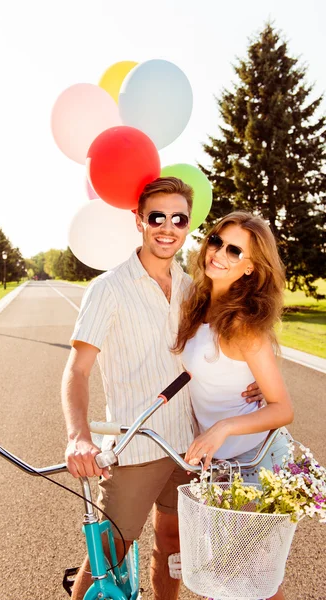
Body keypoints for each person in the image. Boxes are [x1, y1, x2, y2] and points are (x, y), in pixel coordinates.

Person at [61, 178, 263, 600]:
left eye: (179, 218)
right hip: (135, 447)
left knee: (172, 545)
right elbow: (77, 371)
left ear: (188, 226)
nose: (167, 227)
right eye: (157, 217)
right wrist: (79, 437)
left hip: (187, 447)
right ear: (139, 221)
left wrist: (253, 384)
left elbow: (223, 346)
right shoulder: (107, 289)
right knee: (110, 551)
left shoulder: (193, 289)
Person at [177, 211, 294, 600]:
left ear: (249, 267)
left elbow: (282, 407)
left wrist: (222, 428)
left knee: (245, 578)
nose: (219, 253)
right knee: (240, 578)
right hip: (221, 465)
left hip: (257, 458)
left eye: (234, 250)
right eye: (215, 241)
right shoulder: (197, 304)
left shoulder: (246, 325)